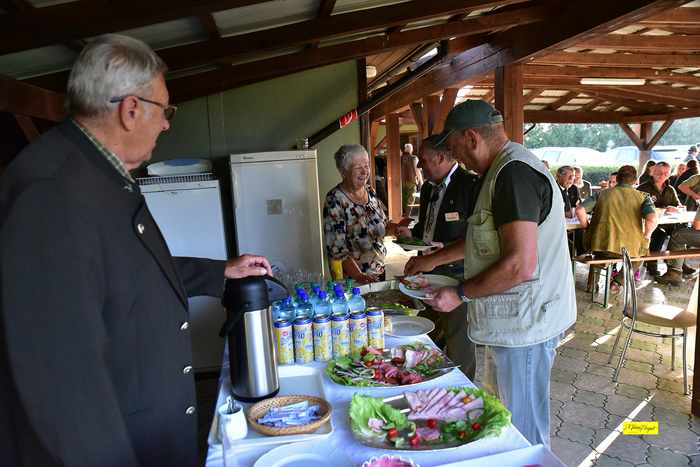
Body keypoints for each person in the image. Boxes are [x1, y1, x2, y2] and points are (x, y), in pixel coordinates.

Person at [0, 34, 274, 467]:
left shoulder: (94, 175)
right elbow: (63, 383)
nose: (166, 124)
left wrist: (221, 271)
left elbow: (130, 272)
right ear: (131, 109)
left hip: (149, 437)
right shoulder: (52, 192)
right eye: (165, 110)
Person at [425, 100, 576, 447]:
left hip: (527, 325)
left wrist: (459, 293)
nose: (455, 157)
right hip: (517, 323)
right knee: (508, 418)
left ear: (472, 137)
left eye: (454, 147)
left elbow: (519, 264)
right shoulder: (501, 171)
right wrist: (434, 260)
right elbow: (485, 240)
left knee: (524, 430)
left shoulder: (513, 174)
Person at [397, 134, 480, 379]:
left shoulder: (470, 185)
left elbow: (476, 241)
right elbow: (426, 230)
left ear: (441, 157)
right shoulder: (427, 188)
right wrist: (410, 236)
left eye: (423, 160)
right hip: (427, 276)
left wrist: (436, 255)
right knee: (425, 334)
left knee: (458, 343)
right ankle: (426, 383)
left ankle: (461, 390)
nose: (419, 165)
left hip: (458, 278)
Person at [324, 144, 401, 284]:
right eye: (358, 167)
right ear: (343, 171)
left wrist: (398, 229)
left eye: (366, 166)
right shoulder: (335, 199)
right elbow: (337, 249)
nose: (365, 171)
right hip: (353, 279)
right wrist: (359, 276)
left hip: (378, 271)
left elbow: (383, 225)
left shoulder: (370, 191)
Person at [584, 165, 658, 291]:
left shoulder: (602, 194)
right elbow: (652, 219)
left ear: (617, 178)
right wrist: (646, 236)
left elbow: (580, 210)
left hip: (601, 246)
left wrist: (587, 227)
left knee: (599, 253)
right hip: (628, 250)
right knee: (640, 256)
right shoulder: (643, 196)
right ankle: (618, 282)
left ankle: (591, 285)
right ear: (635, 180)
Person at [636, 161, 682, 276]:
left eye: (666, 173)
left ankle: (677, 264)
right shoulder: (643, 188)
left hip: (667, 223)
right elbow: (636, 207)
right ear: (652, 172)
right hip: (648, 224)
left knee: (681, 232)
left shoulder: (670, 189)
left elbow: (678, 205)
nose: (662, 175)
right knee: (659, 234)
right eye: (659, 172)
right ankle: (652, 262)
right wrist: (664, 208)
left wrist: (676, 208)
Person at [401, 142, 423, 216]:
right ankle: (407, 216)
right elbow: (417, 171)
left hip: (402, 182)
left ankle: (404, 215)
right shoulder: (414, 158)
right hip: (412, 181)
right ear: (411, 149)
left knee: (404, 199)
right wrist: (421, 182)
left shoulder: (401, 158)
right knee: (410, 200)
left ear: (405, 149)